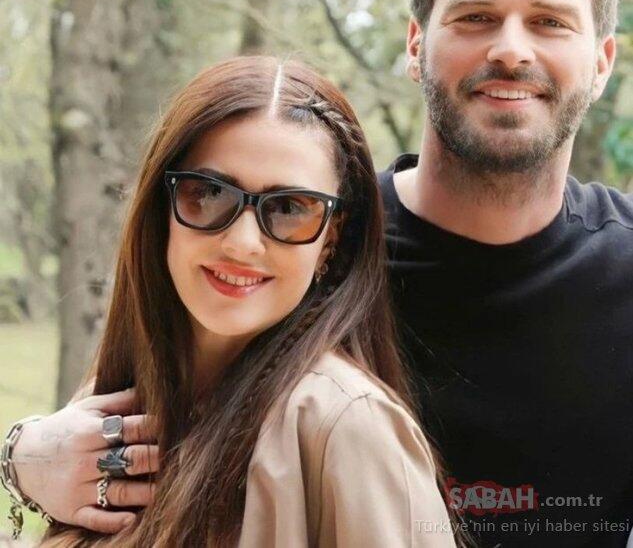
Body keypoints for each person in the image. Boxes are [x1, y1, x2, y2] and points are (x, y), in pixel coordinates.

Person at [5, 0, 633, 548]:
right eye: (474, 16)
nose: (510, 49)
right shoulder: (299, 247)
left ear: (602, 62)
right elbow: (120, 418)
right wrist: (22, 458)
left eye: (549, 22)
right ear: (416, 44)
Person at [2, 56, 457, 547]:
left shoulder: (346, 426)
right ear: (162, 207)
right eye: (209, 193)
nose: (242, 243)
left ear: (331, 238)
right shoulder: (119, 402)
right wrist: (19, 459)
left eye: (290, 208)